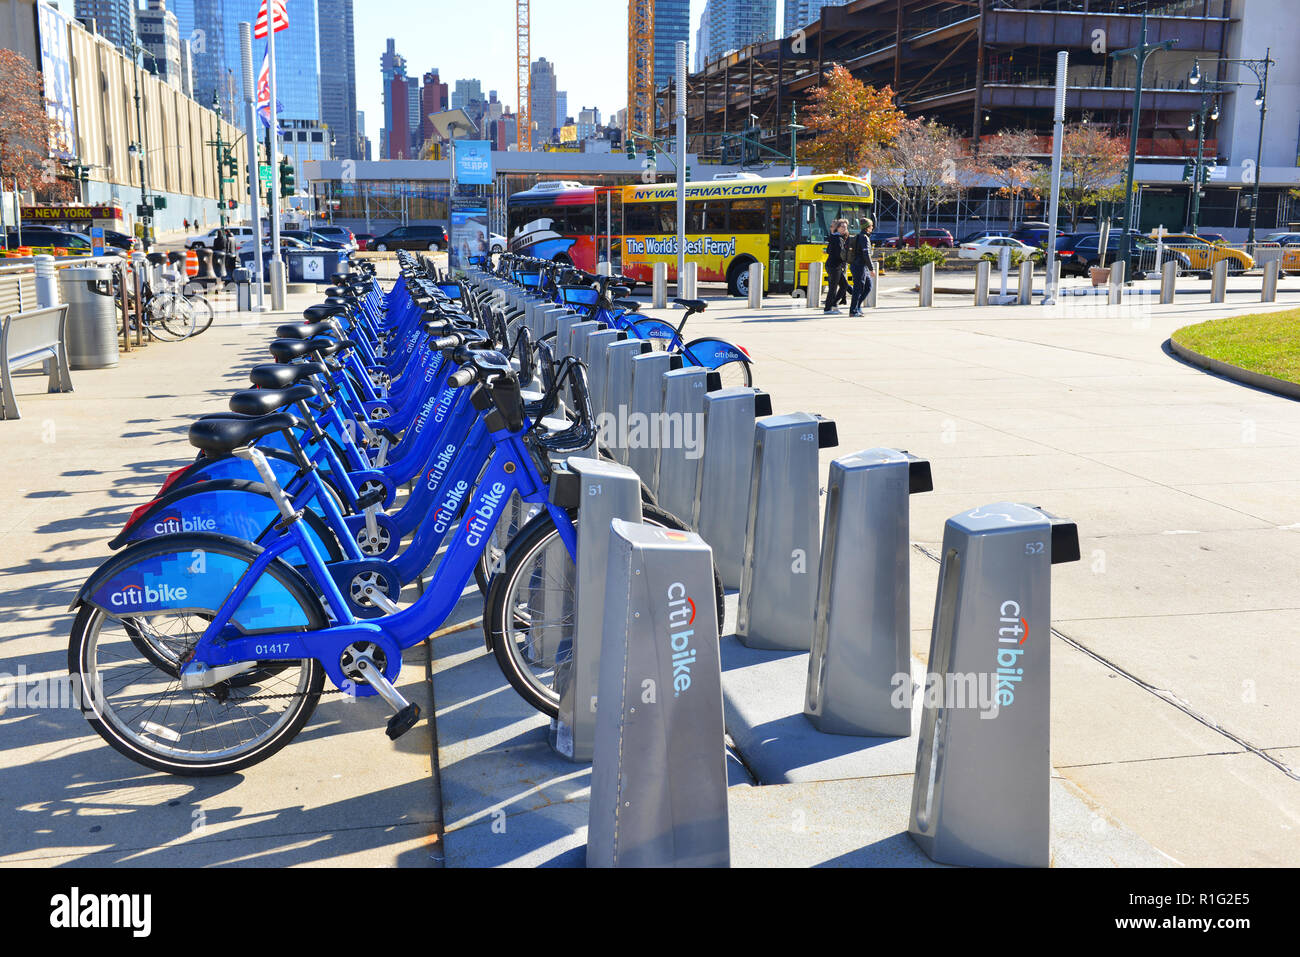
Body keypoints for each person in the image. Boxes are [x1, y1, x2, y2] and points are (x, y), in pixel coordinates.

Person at [849, 218, 876, 317]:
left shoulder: (860, 236)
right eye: (871, 226)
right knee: (858, 289)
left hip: (859, 266)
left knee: (868, 286)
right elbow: (866, 254)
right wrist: (871, 268)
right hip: (859, 266)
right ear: (867, 227)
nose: (872, 228)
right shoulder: (864, 237)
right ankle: (853, 311)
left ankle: (857, 306)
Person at [823, 218, 849, 315]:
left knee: (844, 285)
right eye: (842, 227)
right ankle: (828, 308)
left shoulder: (835, 237)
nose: (844, 229)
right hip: (834, 266)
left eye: (845, 227)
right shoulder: (837, 238)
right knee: (833, 288)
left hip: (833, 265)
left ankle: (833, 305)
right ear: (837, 228)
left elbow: (829, 251)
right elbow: (840, 254)